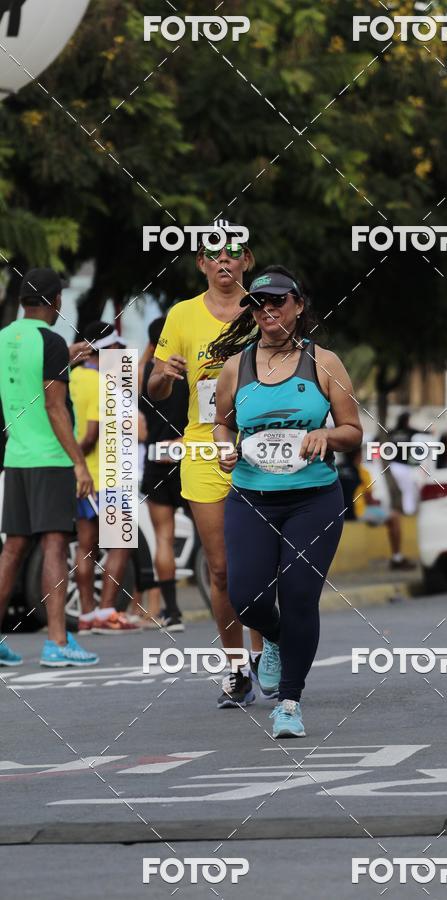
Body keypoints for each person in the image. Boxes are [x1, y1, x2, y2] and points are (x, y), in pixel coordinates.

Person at [211, 265, 363, 738]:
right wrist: (223, 446)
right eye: (259, 303)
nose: (269, 310)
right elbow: (222, 423)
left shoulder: (324, 362)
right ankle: (275, 639)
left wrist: (326, 434)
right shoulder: (237, 365)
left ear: (299, 306)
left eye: (278, 301)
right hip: (251, 496)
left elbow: (353, 431)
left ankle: (290, 703)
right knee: (245, 597)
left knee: (298, 596)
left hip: (313, 500)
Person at [148, 221, 263, 707]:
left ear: (245, 261)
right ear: (200, 263)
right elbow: (152, 389)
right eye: (212, 255)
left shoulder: (264, 311)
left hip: (261, 446)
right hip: (202, 449)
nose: (223, 262)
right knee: (221, 571)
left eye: (232, 254)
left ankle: (267, 655)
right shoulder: (181, 316)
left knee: (261, 567)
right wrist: (164, 376)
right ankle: (236, 668)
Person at [0, 268, 98, 667]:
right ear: (56, 300)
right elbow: (55, 407)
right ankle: (57, 643)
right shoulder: (50, 340)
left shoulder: (5, 337)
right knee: (55, 544)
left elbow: (25, 385)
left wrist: (66, 359)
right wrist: (80, 464)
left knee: (12, 549)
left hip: (17, 457)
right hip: (52, 458)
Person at [70, 321, 141, 634]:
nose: (119, 352)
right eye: (116, 347)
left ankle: (86, 616)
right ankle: (107, 612)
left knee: (85, 546)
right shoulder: (105, 381)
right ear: (106, 348)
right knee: (120, 544)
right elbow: (90, 435)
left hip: (78, 478)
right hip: (107, 474)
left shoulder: (70, 377)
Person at [140, 316, 189, 631]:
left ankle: (172, 612)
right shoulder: (189, 371)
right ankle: (229, 605)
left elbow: (141, 420)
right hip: (190, 457)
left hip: (156, 459)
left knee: (163, 538)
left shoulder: (147, 374)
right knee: (217, 538)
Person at [339, 448, 414, 570]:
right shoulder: (362, 472)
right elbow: (370, 500)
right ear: (358, 455)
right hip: (357, 512)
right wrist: (377, 504)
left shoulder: (337, 469)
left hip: (339, 513)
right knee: (394, 516)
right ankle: (397, 558)